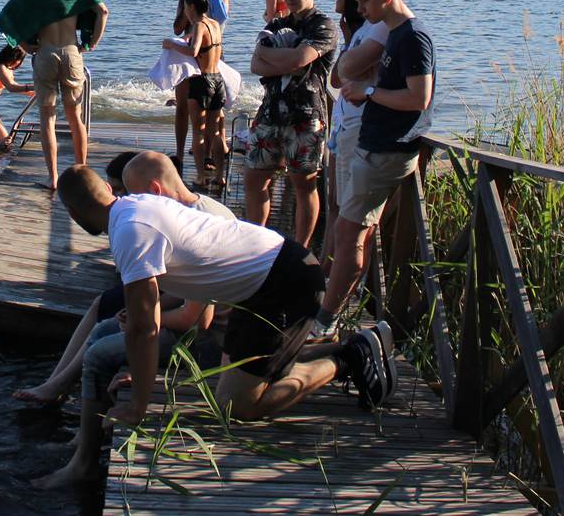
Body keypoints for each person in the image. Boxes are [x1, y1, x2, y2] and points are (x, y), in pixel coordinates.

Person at [33, 166, 396, 488]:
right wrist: (147, 375)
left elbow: (144, 331)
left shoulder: (129, 232)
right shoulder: (136, 206)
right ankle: (83, 453)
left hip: (285, 283)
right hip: (260, 281)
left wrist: (138, 407)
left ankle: (349, 356)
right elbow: (154, 316)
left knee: (239, 405)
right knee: (236, 377)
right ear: (109, 191)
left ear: (73, 212)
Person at [12, 151, 231, 408]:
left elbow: (195, 319)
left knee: (100, 351)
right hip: (196, 318)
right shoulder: (194, 208)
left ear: (154, 189)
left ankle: (84, 437)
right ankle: (61, 390)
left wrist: (143, 320)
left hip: (214, 342)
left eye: (131, 195)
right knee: (105, 322)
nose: (128, 203)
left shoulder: (197, 225)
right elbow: (187, 295)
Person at [320, 0, 434, 337]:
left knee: (348, 234)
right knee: (350, 231)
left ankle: (326, 319)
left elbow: (419, 98)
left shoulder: (412, 37)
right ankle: (337, 314)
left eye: (366, 2)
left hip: (384, 152)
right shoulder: (392, 31)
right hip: (375, 145)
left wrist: (368, 92)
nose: (361, 9)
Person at [0, 0, 109, 191]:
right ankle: (81, 172)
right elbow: (102, 11)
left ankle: (53, 178)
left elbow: (4, 21)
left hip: (44, 53)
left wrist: (25, 45)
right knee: (74, 117)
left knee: (47, 118)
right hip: (71, 52)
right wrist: (91, 44)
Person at [243, 0, 338, 248]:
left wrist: (282, 60)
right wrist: (289, 62)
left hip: (305, 116)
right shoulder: (277, 23)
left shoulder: (323, 26)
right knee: (254, 179)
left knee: (304, 184)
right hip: (270, 112)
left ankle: (300, 248)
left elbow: (300, 59)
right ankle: (253, 243)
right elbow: (256, 63)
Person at [321, 0, 392, 283]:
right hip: (343, 126)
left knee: (352, 219)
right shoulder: (360, 29)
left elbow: (340, 74)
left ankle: (338, 284)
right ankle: (324, 273)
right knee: (337, 207)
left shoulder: (376, 29)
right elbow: (339, 77)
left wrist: (349, 43)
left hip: (359, 129)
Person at [163, 0, 227, 189]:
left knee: (199, 132)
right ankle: (219, 175)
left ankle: (201, 176)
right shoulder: (214, 24)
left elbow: (193, 51)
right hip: (218, 81)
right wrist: (186, 39)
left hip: (202, 82)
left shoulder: (199, 25)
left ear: (190, 7)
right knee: (215, 132)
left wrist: (172, 45)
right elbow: (208, 44)